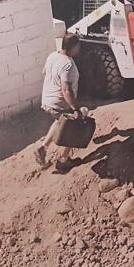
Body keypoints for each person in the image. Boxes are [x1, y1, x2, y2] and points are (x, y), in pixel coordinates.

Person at [34, 33, 84, 172]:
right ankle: (63, 160)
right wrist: (75, 109)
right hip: (59, 103)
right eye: (78, 46)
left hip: (47, 100)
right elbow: (66, 89)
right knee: (73, 127)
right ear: (74, 47)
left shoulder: (53, 56)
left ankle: (43, 148)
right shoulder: (67, 64)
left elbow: (45, 73)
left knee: (59, 122)